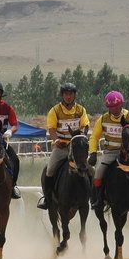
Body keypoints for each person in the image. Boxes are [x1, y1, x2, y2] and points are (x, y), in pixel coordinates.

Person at [37, 82, 90, 210]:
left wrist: (82, 137)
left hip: (76, 147)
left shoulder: (81, 110)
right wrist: (55, 140)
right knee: (49, 170)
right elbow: (52, 128)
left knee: (91, 169)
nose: (68, 97)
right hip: (61, 147)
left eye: (70, 94)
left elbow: (84, 125)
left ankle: (93, 197)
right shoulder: (55, 110)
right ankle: (47, 199)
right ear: (62, 95)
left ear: (74, 95)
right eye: (66, 94)